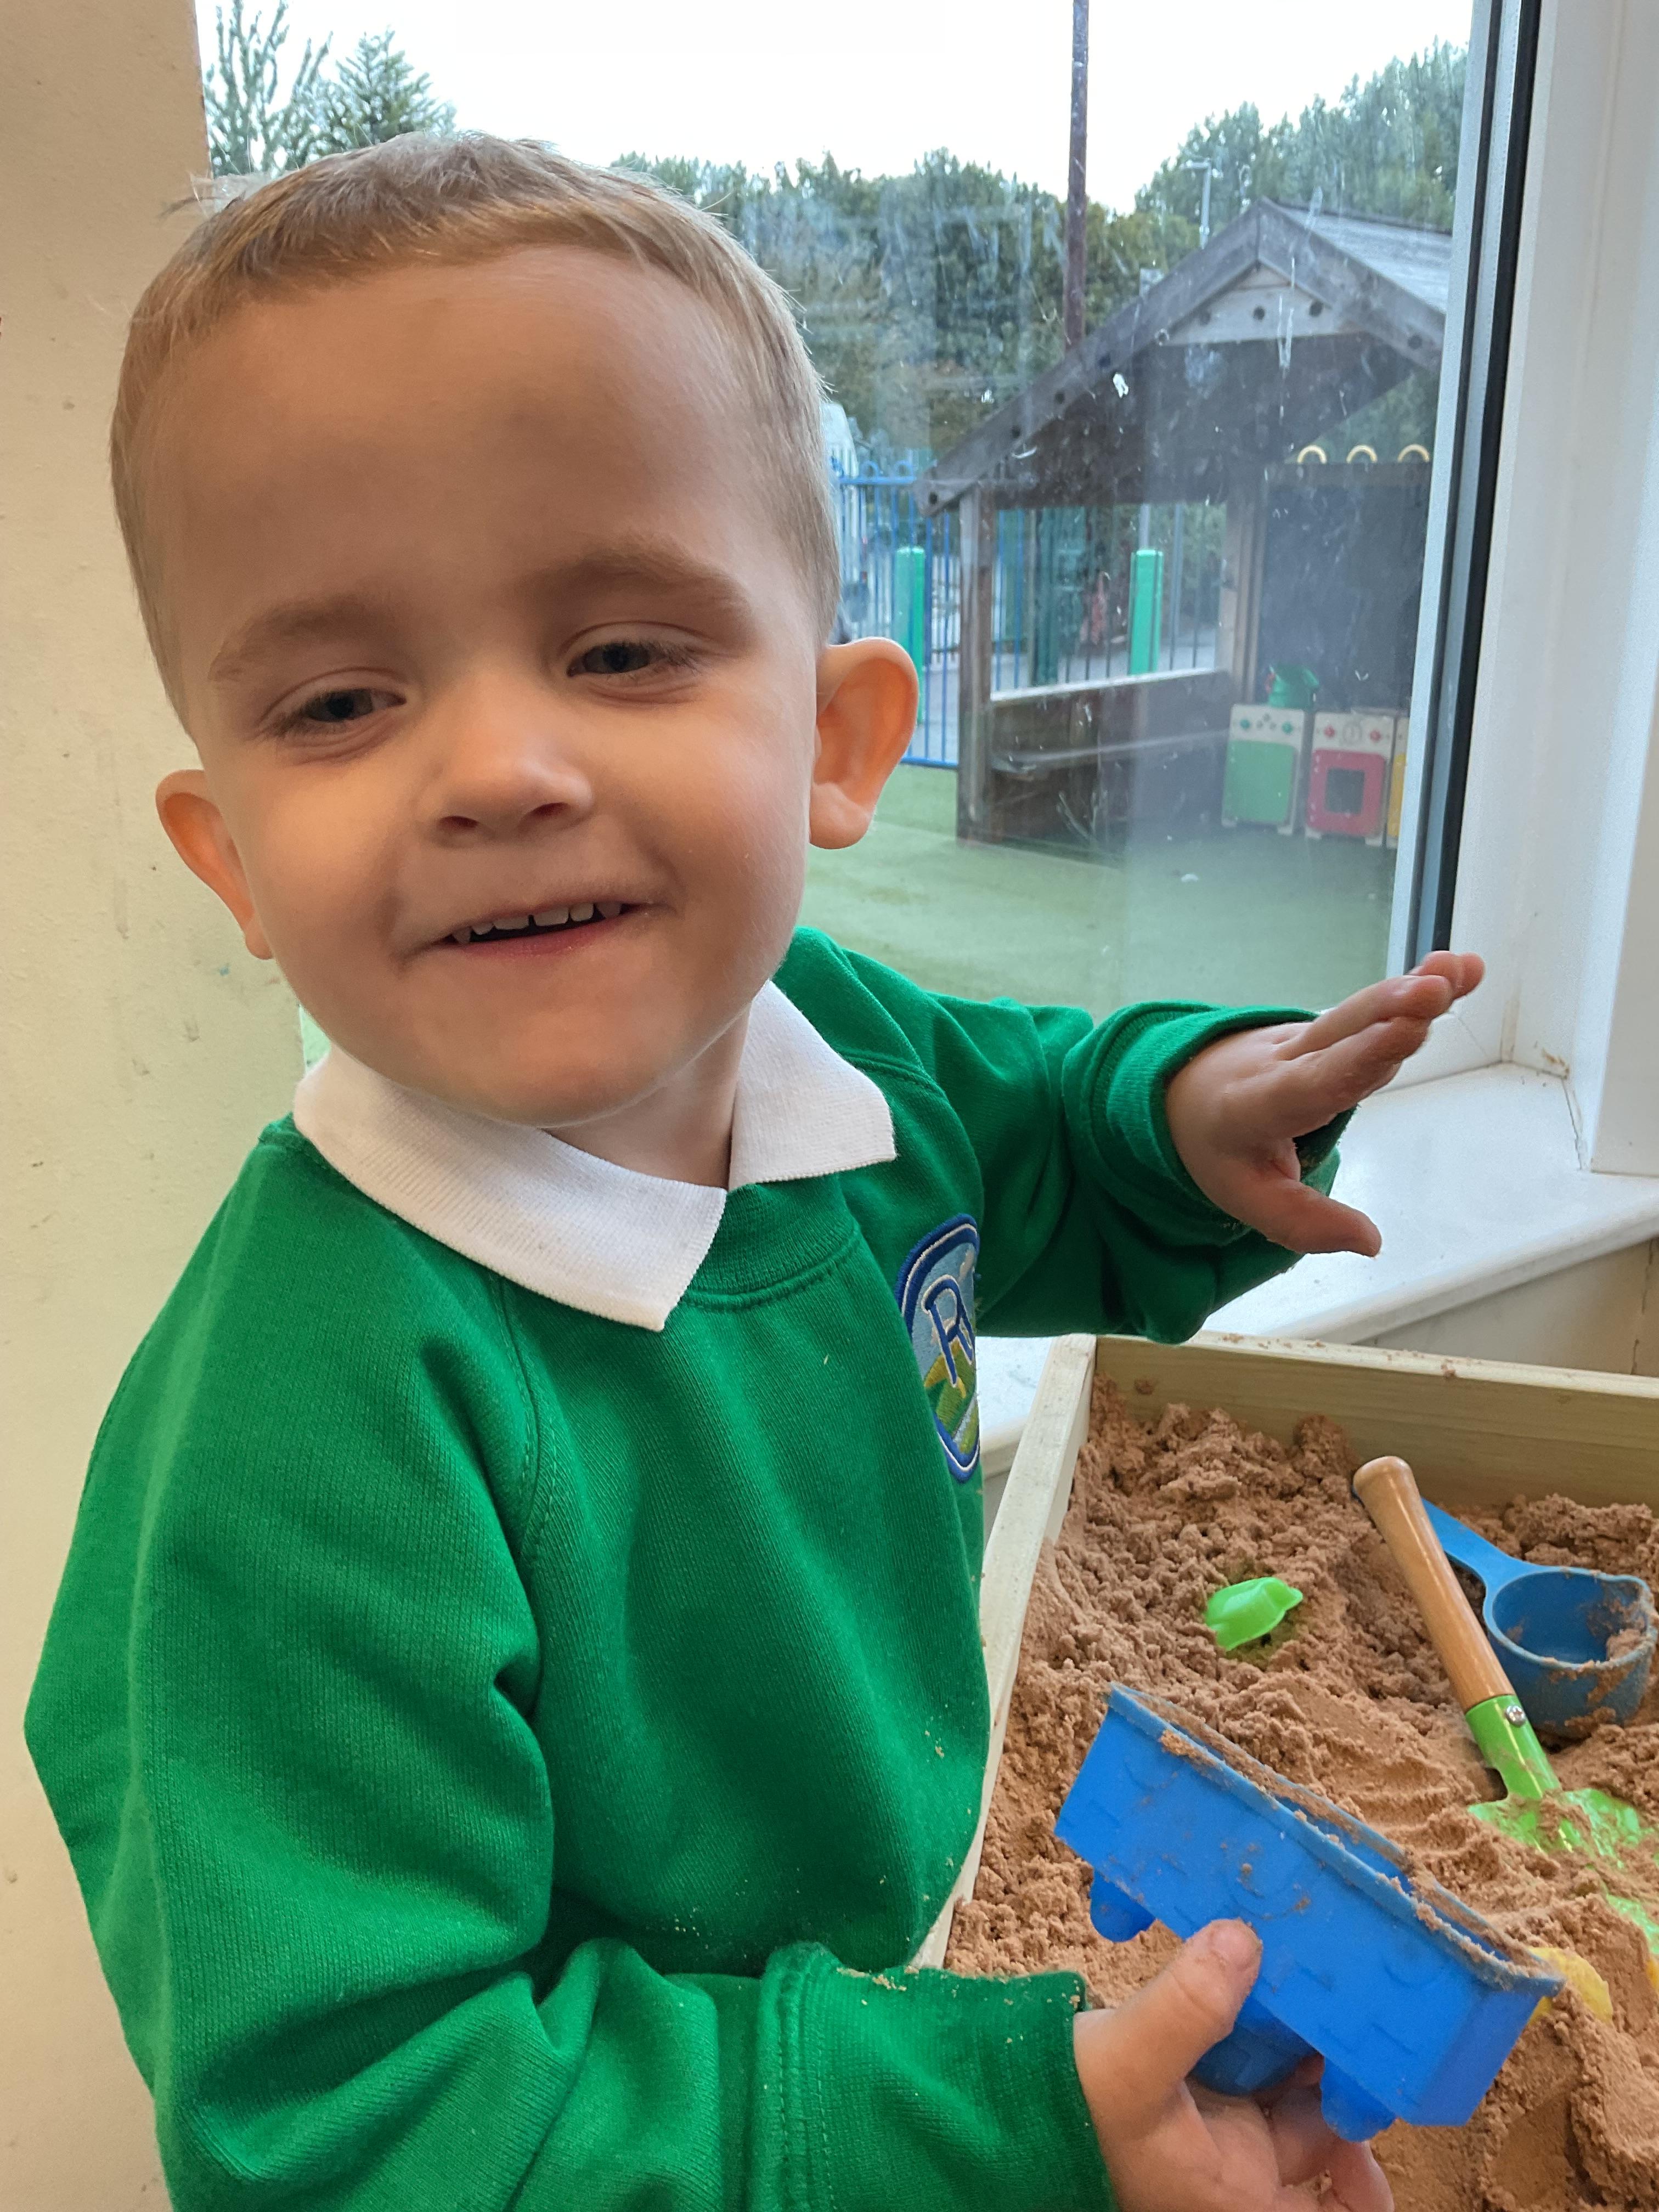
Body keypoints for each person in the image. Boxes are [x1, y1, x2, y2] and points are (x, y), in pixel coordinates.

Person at [28, 134, 1480, 2212]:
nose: (500, 771)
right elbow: (366, 2125)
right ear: (230, 859)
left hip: (833, 1998)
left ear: (838, 742)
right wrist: (985, 2129)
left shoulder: (833, 1044)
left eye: (621, 651)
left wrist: (1175, 1115)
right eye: (341, 699)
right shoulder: (296, 1446)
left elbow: (1026, 1132)